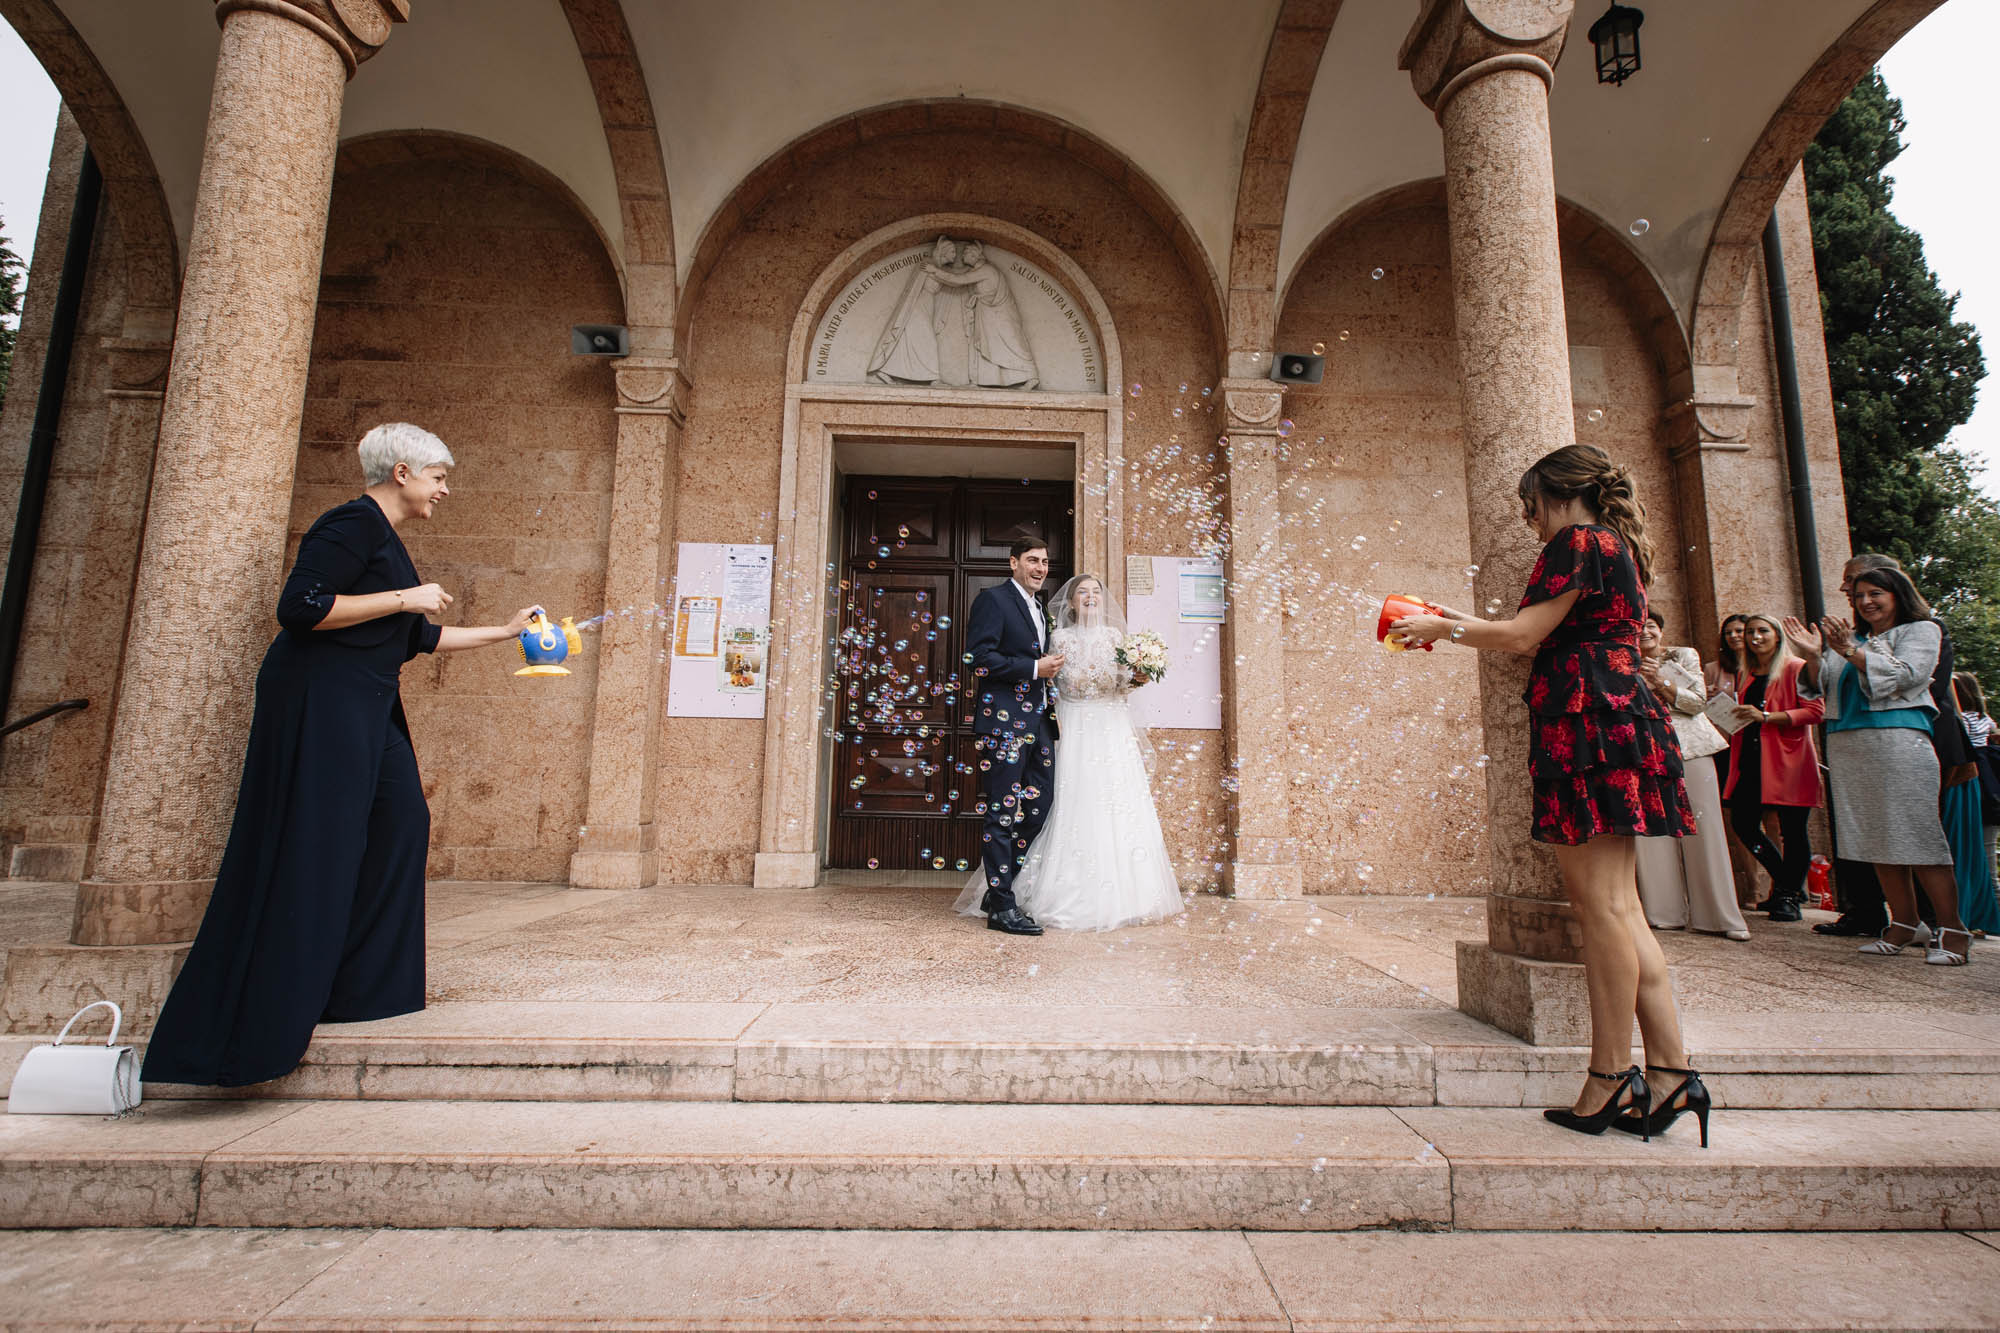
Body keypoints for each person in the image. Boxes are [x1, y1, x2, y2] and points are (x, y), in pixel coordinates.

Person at [143, 424, 545, 1086]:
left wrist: (504, 632)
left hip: (368, 701)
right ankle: (270, 1014)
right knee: (318, 843)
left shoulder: (383, 540)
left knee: (403, 820)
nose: (445, 488)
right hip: (320, 700)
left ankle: (362, 988)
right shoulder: (350, 525)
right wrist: (404, 596)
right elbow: (300, 607)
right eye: (438, 476)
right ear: (402, 473)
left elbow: (418, 637)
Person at [1393, 444, 1707, 1146]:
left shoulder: (1577, 539)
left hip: (1590, 721)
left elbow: (1523, 633)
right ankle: (1670, 1072)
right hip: (1613, 714)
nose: (1528, 519)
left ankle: (1606, 1076)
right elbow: (1536, 632)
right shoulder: (1614, 543)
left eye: (1528, 502)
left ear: (1556, 493)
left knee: (1600, 910)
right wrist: (1452, 620)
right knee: (1621, 907)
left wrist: (1440, 628)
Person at [954, 575, 1180, 929]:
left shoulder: (1115, 639)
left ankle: (1120, 895)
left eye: (1096, 593)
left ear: (1103, 601)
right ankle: (1024, 890)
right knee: (1060, 805)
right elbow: (1043, 682)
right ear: (1071, 602)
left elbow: (1121, 686)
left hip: (1110, 730)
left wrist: (1138, 678)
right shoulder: (1057, 637)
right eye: (1082, 592)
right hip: (1069, 728)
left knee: (1115, 807)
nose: (1090, 597)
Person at [1783, 564, 1973, 964]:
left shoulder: (1921, 631)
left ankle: (1953, 930)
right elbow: (1824, 687)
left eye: (1875, 594)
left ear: (1897, 596)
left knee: (1917, 835)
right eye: (1858, 596)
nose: (1865, 602)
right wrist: (1815, 657)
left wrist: (1850, 649)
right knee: (1873, 837)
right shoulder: (1852, 639)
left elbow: (1908, 675)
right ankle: (1904, 923)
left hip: (1897, 739)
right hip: (1848, 742)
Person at [961, 536, 1063, 935]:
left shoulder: (1040, 607)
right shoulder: (994, 600)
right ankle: (1002, 906)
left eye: (1044, 562)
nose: (1040, 568)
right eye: (1033, 560)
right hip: (1003, 721)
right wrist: (1034, 669)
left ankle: (996, 888)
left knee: (1039, 806)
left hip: (1039, 722)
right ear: (1013, 563)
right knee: (1003, 811)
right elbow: (978, 659)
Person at [1635, 611, 1749, 940]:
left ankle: (1720, 917)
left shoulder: (1681, 655)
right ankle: (1663, 914)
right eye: (1638, 627)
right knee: (1652, 833)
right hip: (1645, 751)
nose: (1645, 633)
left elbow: (1697, 702)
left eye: (1651, 626)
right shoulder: (1624, 660)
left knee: (1705, 826)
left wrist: (1662, 682)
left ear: (1662, 629)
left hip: (1692, 748)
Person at [1722, 614, 1823, 923]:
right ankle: (1786, 881)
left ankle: (1788, 896)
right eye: (1751, 631)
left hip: (1787, 760)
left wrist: (1765, 717)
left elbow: (1815, 712)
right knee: (1744, 824)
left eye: (1762, 630)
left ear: (1777, 636)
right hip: (1750, 759)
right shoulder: (1747, 672)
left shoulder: (1795, 668)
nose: (1755, 636)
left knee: (1793, 831)